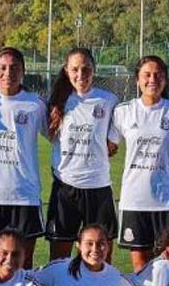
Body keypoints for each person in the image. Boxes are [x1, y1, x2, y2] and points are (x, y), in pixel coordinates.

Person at [112, 56, 169, 272]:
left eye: (158, 74)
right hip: (135, 201)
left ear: (165, 79)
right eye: (147, 75)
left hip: (168, 202)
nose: (153, 79)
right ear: (137, 80)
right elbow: (107, 148)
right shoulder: (123, 111)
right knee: (141, 267)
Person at [0, 47, 48, 269]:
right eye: (2, 68)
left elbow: (56, 136)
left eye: (14, 68)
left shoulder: (36, 104)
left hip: (25, 196)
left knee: (23, 264)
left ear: (23, 72)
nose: (8, 73)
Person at [44, 47, 120, 261]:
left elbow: (113, 143)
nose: (80, 75)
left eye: (86, 69)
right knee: (59, 261)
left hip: (98, 187)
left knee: (102, 260)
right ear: (66, 71)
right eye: (75, 69)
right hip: (65, 187)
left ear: (94, 70)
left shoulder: (109, 100)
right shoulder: (56, 102)